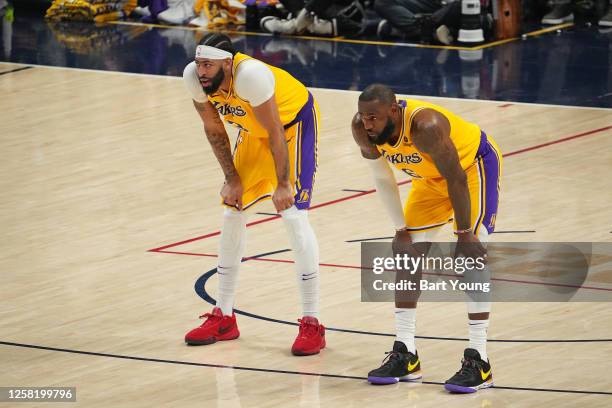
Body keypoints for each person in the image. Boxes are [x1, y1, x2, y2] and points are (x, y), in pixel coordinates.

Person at [351, 84, 502, 393]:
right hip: (429, 182)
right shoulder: (362, 129)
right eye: (364, 117)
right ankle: (405, 351)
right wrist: (399, 229)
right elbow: (382, 177)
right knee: (406, 255)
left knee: (472, 256)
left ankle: (479, 359)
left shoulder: (425, 126)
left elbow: (457, 178)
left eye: (374, 118)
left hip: (471, 170)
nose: (368, 124)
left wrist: (464, 234)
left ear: (393, 111)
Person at [182, 33, 325, 356]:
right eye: (199, 63)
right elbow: (214, 128)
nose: (202, 70)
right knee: (232, 211)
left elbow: (275, 130)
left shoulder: (252, 77)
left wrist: (284, 184)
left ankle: (312, 322)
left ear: (228, 64)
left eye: (208, 64)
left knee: (293, 215)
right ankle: (224, 316)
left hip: (290, 127)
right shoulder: (194, 78)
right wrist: (231, 178)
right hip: (254, 132)